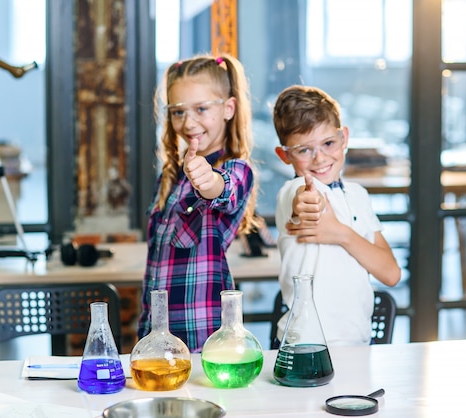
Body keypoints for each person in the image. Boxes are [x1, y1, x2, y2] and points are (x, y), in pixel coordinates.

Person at [137, 54, 257, 352]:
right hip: (158, 339)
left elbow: (223, 190)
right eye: (178, 112)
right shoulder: (170, 178)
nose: (188, 123)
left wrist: (208, 181)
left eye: (201, 109)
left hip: (205, 345)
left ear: (229, 108)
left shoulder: (237, 170)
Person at [272, 85, 401, 346]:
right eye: (304, 150)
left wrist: (340, 233)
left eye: (328, 143)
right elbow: (305, 199)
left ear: (344, 138)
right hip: (304, 346)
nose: (319, 159)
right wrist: (309, 204)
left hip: (358, 343)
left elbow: (391, 274)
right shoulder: (294, 190)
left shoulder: (359, 196)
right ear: (285, 155)